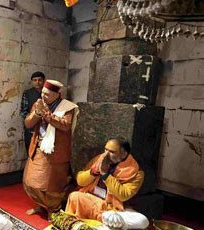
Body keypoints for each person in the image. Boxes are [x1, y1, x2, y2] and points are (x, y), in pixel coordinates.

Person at [23, 80, 79, 219]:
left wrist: (47, 115)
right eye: (42, 93)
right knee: (31, 182)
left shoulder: (68, 107)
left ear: (57, 94)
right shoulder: (38, 103)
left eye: (47, 94)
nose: (43, 96)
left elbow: (65, 125)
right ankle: (41, 205)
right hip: (38, 147)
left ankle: (52, 209)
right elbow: (28, 123)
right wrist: (37, 113)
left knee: (52, 185)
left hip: (55, 151)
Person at [65, 138, 145, 221]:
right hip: (92, 196)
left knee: (76, 197)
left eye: (111, 152)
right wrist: (94, 172)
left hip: (110, 206)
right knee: (74, 196)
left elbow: (123, 195)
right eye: (105, 150)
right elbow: (80, 181)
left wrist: (105, 174)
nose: (106, 154)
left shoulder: (136, 172)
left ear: (124, 154)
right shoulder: (99, 159)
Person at [20, 72, 44, 153]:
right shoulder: (27, 93)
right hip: (30, 129)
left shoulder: (47, 93)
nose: (37, 82)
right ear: (32, 82)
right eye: (35, 80)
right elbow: (23, 111)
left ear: (44, 81)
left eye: (40, 80)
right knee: (30, 151)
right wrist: (32, 119)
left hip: (45, 129)